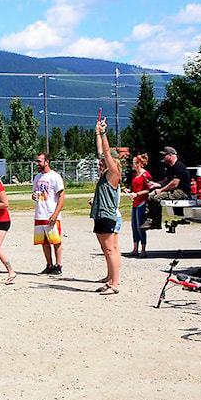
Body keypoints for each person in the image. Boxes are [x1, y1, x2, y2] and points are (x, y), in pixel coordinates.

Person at [91, 119, 122, 295]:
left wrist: (103, 133)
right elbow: (101, 151)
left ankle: (114, 283)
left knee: (111, 250)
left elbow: (106, 152)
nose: (102, 160)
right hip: (101, 214)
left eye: (105, 160)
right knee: (107, 249)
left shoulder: (113, 174)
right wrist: (97, 132)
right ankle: (110, 279)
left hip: (108, 215)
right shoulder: (105, 175)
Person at [141, 147, 190, 230]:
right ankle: (150, 220)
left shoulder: (178, 166)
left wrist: (161, 190)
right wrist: (156, 184)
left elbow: (174, 183)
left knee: (157, 198)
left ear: (170, 155)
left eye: (164, 155)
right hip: (173, 190)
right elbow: (166, 180)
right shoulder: (170, 167)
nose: (163, 158)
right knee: (150, 196)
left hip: (181, 191)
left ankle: (156, 222)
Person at [32, 153, 65, 275]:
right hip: (40, 213)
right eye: (37, 161)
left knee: (55, 241)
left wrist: (55, 214)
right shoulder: (37, 177)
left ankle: (58, 265)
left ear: (47, 162)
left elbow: (61, 196)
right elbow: (36, 192)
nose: (37, 164)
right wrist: (34, 196)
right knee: (44, 241)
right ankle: (49, 264)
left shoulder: (55, 176)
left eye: (39, 161)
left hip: (51, 213)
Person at [126, 154, 152, 256]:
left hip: (142, 203)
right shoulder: (134, 175)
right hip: (135, 203)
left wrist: (137, 194)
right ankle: (135, 248)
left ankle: (143, 249)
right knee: (134, 225)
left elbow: (148, 189)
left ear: (139, 164)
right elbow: (135, 187)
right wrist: (130, 191)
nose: (133, 165)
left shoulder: (145, 175)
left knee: (140, 226)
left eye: (134, 163)